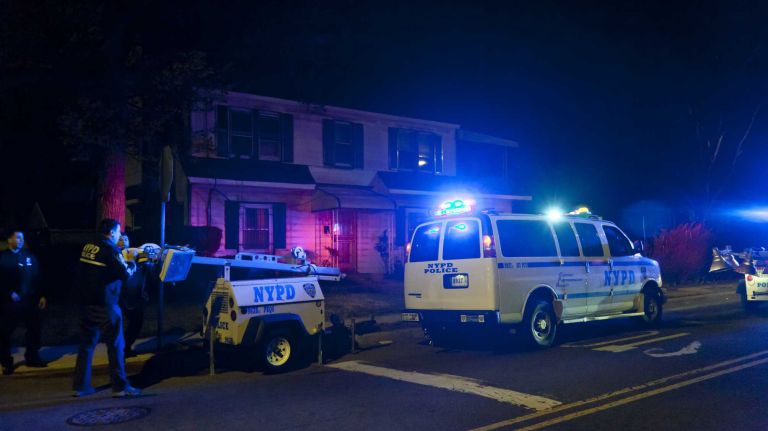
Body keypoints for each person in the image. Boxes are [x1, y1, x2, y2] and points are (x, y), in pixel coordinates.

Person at [72, 219, 141, 397]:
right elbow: (125, 274)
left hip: (86, 303)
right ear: (111, 232)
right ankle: (120, 387)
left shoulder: (89, 245)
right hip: (106, 306)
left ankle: (81, 386)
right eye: (118, 232)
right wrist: (133, 261)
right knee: (116, 344)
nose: (119, 235)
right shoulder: (111, 250)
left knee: (86, 345)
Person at [0, 229, 46, 375]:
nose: (20, 240)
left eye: (22, 238)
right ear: (9, 240)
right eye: (17, 237)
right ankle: (6, 362)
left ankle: (32, 357)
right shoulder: (3, 258)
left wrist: (42, 295)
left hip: (30, 301)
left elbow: (38, 277)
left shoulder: (29, 256)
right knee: (5, 332)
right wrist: (8, 293)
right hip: (10, 303)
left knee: (34, 329)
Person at [117, 234, 150, 357]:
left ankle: (126, 347)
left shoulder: (136, 253)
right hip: (120, 295)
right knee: (116, 325)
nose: (123, 241)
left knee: (136, 322)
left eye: (125, 239)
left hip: (136, 295)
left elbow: (147, 267)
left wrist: (145, 256)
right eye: (120, 239)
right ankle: (120, 350)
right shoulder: (115, 254)